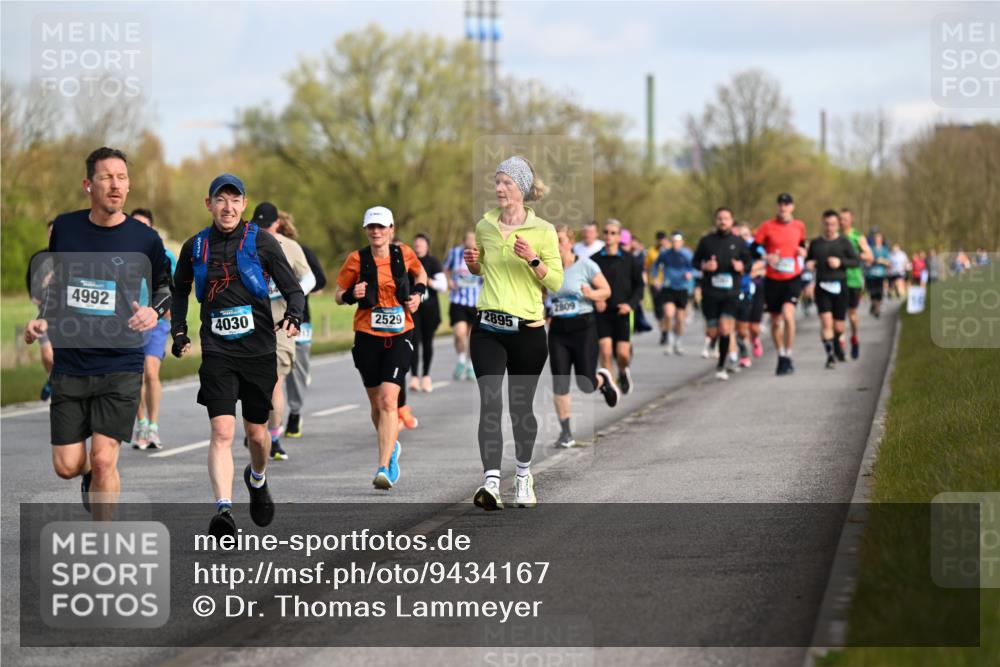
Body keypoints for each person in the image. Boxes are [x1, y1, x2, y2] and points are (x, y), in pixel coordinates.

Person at [23, 147, 172, 516]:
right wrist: (43, 318)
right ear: (88, 184)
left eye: (122, 177)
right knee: (67, 466)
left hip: (121, 362)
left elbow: (166, 288)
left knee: (105, 460)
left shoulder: (145, 239)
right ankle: (89, 472)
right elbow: (58, 286)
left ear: (129, 185)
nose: (115, 185)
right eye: (106, 177)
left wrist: (153, 311)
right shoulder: (66, 229)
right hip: (71, 363)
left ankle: (102, 542)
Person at [171, 174, 304, 537]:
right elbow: (179, 290)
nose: (227, 207)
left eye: (234, 200)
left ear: (244, 204)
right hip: (218, 351)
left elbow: (293, 290)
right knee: (221, 430)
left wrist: (294, 315)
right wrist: (179, 331)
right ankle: (224, 510)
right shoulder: (196, 246)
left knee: (257, 435)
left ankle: (257, 479)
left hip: (258, 350)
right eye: (221, 200)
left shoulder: (262, 242)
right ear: (209, 204)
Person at [465, 156, 562, 511]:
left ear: (521, 187)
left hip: (527, 331)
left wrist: (533, 259)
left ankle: (523, 475)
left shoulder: (544, 231)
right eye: (497, 182)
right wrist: (473, 264)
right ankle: (491, 482)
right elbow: (483, 269)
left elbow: (556, 281)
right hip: (488, 327)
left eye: (506, 182)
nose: (499, 188)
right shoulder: (485, 225)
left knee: (520, 408)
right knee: (490, 402)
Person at [335, 206, 427, 490]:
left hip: (400, 334)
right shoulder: (356, 259)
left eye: (381, 227)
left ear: (391, 229)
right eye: (371, 227)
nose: (376, 231)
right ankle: (392, 445)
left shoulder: (404, 253)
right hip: (367, 336)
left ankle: (383, 466)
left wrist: (418, 294)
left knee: (389, 400)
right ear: (366, 230)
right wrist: (352, 294)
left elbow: (421, 275)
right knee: (376, 405)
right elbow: (338, 295)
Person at [250, 202, 315, 460]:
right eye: (260, 226)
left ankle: (273, 437)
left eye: (267, 225)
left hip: (280, 323)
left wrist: (293, 294)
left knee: (275, 382)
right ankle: (259, 430)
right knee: (254, 385)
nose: (264, 230)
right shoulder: (245, 243)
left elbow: (309, 278)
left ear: (277, 223)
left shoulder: (290, 246)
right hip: (250, 323)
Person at [548, 225, 620, 448]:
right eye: (552, 241)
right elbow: (540, 294)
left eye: (560, 240)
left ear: (571, 243)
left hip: (583, 328)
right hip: (558, 330)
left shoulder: (586, 265)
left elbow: (606, 290)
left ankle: (603, 379)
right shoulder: (547, 269)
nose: (556, 245)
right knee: (560, 381)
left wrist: (591, 294)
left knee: (586, 384)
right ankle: (566, 433)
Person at [129, 208, 178, 450]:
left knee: (150, 371)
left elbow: (176, 288)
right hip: (130, 322)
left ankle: (154, 427)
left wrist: (171, 313)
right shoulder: (123, 253)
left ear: (152, 229)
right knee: (136, 375)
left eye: (144, 226)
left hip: (157, 321)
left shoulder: (165, 255)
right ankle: (141, 424)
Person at [276, 210, 327, 439]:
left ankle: (295, 413)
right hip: (271, 319)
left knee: (297, 370)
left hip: (300, 317)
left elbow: (320, 279)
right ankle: (269, 421)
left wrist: (295, 289)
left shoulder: (301, 250)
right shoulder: (257, 250)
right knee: (275, 371)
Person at [693, 209, 753, 380]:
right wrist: (704, 266)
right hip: (710, 293)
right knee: (712, 332)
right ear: (715, 220)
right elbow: (695, 261)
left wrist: (741, 267)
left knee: (726, 328)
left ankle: (721, 365)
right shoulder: (706, 241)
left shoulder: (739, 242)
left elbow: (749, 263)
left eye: (726, 218)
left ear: (731, 221)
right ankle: (715, 344)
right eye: (720, 218)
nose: (723, 221)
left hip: (731, 292)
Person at [754, 193, 808, 375]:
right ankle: (781, 354)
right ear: (777, 206)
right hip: (772, 279)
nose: (783, 207)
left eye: (787, 204)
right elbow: (754, 248)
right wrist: (766, 256)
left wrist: (803, 251)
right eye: (780, 204)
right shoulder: (767, 226)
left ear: (792, 207)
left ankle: (789, 354)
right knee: (776, 322)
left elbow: (802, 244)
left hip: (792, 277)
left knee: (788, 315)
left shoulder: (799, 225)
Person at [592, 219, 644, 394]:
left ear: (619, 236)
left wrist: (630, 305)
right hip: (602, 313)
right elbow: (587, 284)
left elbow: (639, 286)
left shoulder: (629, 259)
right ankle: (611, 386)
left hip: (622, 312)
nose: (609, 235)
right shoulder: (594, 260)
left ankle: (622, 371)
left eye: (613, 233)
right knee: (605, 351)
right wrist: (596, 299)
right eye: (606, 232)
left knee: (623, 354)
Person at [806, 211, 861, 368]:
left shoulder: (844, 242)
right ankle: (830, 356)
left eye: (832, 224)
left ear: (837, 225)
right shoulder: (816, 243)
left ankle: (836, 343)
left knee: (839, 326)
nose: (829, 228)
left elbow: (856, 261)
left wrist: (840, 262)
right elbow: (808, 260)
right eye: (826, 224)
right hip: (822, 287)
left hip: (840, 287)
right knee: (826, 322)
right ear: (822, 224)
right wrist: (809, 264)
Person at [408, 233, 447, 393]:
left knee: (427, 342)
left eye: (421, 243)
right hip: (413, 308)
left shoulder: (433, 262)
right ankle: (414, 377)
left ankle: (426, 376)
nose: (418, 246)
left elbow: (443, 286)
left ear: (427, 246)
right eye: (416, 243)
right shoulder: (409, 262)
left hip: (430, 308)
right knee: (413, 341)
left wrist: (426, 280)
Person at [443, 231, 482, 382]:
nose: (470, 241)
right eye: (468, 239)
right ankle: (461, 359)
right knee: (459, 333)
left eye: (473, 239)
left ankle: (471, 365)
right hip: (458, 300)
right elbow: (446, 268)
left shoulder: (481, 254)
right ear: (464, 241)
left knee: (472, 338)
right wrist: (449, 281)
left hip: (476, 301)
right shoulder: (455, 253)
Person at [26, 221, 56, 401]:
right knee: (46, 354)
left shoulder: (71, 256)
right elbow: (32, 285)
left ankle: (56, 382)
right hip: (44, 315)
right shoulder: (39, 258)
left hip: (65, 318)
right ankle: (53, 378)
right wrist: (38, 292)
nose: (53, 234)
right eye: (50, 231)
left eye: (56, 231)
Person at [651, 231, 694, 355]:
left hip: (682, 288)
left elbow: (695, 267)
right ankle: (669, 342)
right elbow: (656, 266)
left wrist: (690, 274)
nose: (675, 244)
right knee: (668, 314)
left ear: (682, 242)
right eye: (673, 241)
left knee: (680, 319)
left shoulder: (687, 254)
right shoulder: (665, 253)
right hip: (668, 287)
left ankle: (678, 342)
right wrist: (656, 278)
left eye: (678, 241)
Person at [838, 208, 872, 360]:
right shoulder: (836, 236)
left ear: (851, 220)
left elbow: (870, 256)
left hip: (853, 279)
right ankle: (840, 343)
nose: (842, 222)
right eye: (840, 219)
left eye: (845, 219)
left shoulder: (857, 236)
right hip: (837, 279)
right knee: (838, 315)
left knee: (851, 314)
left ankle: (854, 338)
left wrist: (856, 255)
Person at [734, 222, 767, 367]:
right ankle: (743, 354)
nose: (744, 238)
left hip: (757, 287)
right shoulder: (734, 248)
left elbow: (765, 261)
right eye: (740, 235)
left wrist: (753, 269)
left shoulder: (755, 246)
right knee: (742, 326)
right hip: (741, 288)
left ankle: (755, 339)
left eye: (746, 235)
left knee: (754, 327)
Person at [866, 233, 890, 318]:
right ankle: (874, 304)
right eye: (876, 238)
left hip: (880, 274)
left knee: (879, 292)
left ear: (882, 239)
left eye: (879, 238)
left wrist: (881, 260)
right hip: (871, 274)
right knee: (872, 292)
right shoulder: (870, 249)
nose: (878, 240)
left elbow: (888, 262)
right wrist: (874, 261)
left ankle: (877, 309)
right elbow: (867, 261)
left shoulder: (885, 250)